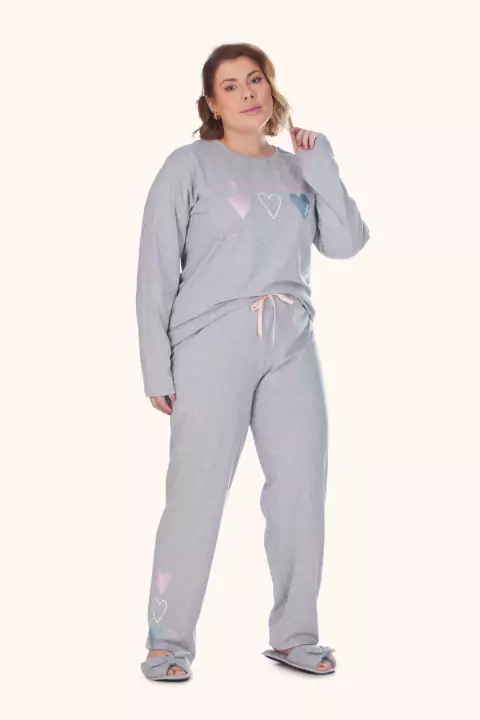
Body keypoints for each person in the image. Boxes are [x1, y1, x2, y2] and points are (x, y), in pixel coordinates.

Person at [136, 42, 370, 681]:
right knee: (197, 493)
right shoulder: (188, 166)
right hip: (210, 341)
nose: (247, 93)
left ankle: (295, 637)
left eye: (256, 79)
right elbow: (156, 270)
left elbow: (347, 243)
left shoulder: (299, 169)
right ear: (212, 104)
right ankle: (167, 641)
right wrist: (157, 366)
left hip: (292, 341)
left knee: (301, 489)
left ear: (271, 88)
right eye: (231, 85)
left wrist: (322, 164)